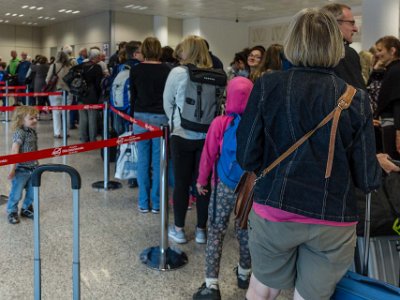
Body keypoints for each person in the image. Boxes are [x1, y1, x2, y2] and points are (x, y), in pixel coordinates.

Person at [236, 8, 381, 300]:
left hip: (275, 210)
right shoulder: (357, 99)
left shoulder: (267, 86)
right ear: (335, 45)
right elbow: (367, 178)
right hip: (333, 218)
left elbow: (247, 157)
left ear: (292, 43)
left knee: (261, 290)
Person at [193, 77, 253, 300]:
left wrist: (202, 180)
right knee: (245, 230)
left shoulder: (220, 123)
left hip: (223, 185)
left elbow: (208, 155)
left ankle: (211, 284)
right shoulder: (257, 123)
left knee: (216, 231)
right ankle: (245, 274)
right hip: (248, 187)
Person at [163, 35, 213, 244]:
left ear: (188, 51)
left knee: (182, 183)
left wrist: (174, 121)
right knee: (203, 183)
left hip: (182, 134)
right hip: (206, 136)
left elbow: (168, 102)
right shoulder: (215, 75)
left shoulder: (178, 72)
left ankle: (179, 229)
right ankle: (201, 230)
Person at [130, 37, 171, 213]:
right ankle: (157, 202)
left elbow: (133, 95)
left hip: (140, 116)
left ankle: (143, 201)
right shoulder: (167, 70)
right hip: (161, 118)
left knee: (142, 162)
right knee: (158, 162)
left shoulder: (136, 69)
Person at [321, 3, 366, 90]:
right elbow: (358, 97)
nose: (356, 29)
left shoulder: (307, 54)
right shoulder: (344, 53)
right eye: (351, 23)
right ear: (334, 23)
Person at [6, 106, 39, 224]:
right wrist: (12, 169)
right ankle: (12, 211)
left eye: (36, 117)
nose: (35, 120)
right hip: (21, 169)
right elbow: (15, 150)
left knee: (32, 191)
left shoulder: (32, 131)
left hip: (33, 168)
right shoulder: (19, 133)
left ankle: (26, 208)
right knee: (16, 193)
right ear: (21, 120)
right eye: (31, 118)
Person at [374, 35, 400, 160]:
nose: (378, 54)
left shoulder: (395, 71)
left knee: (392, 162)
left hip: (392, 125)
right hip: (389, 124)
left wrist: (399, 131)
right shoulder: (391, 70)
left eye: (380, 50)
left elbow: (397, 103)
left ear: (392, 50)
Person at [45, 51, 73, 138]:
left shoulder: (53, 66)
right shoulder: (70, 66)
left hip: (55, 91)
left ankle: (57, 133)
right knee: (66, 112)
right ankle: (66, 132)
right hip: (68, 91)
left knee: (56, 112)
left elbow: (47, 79)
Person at [78, 48, 103, 142]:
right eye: (99, 56)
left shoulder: (81, 65)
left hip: (81, 93)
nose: (100, 58)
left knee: (83, 118)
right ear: (95, 57)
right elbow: (98, 84)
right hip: (92, 95)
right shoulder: (97, 68)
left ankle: (83, 138)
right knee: (92, 118)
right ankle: (92, 139)